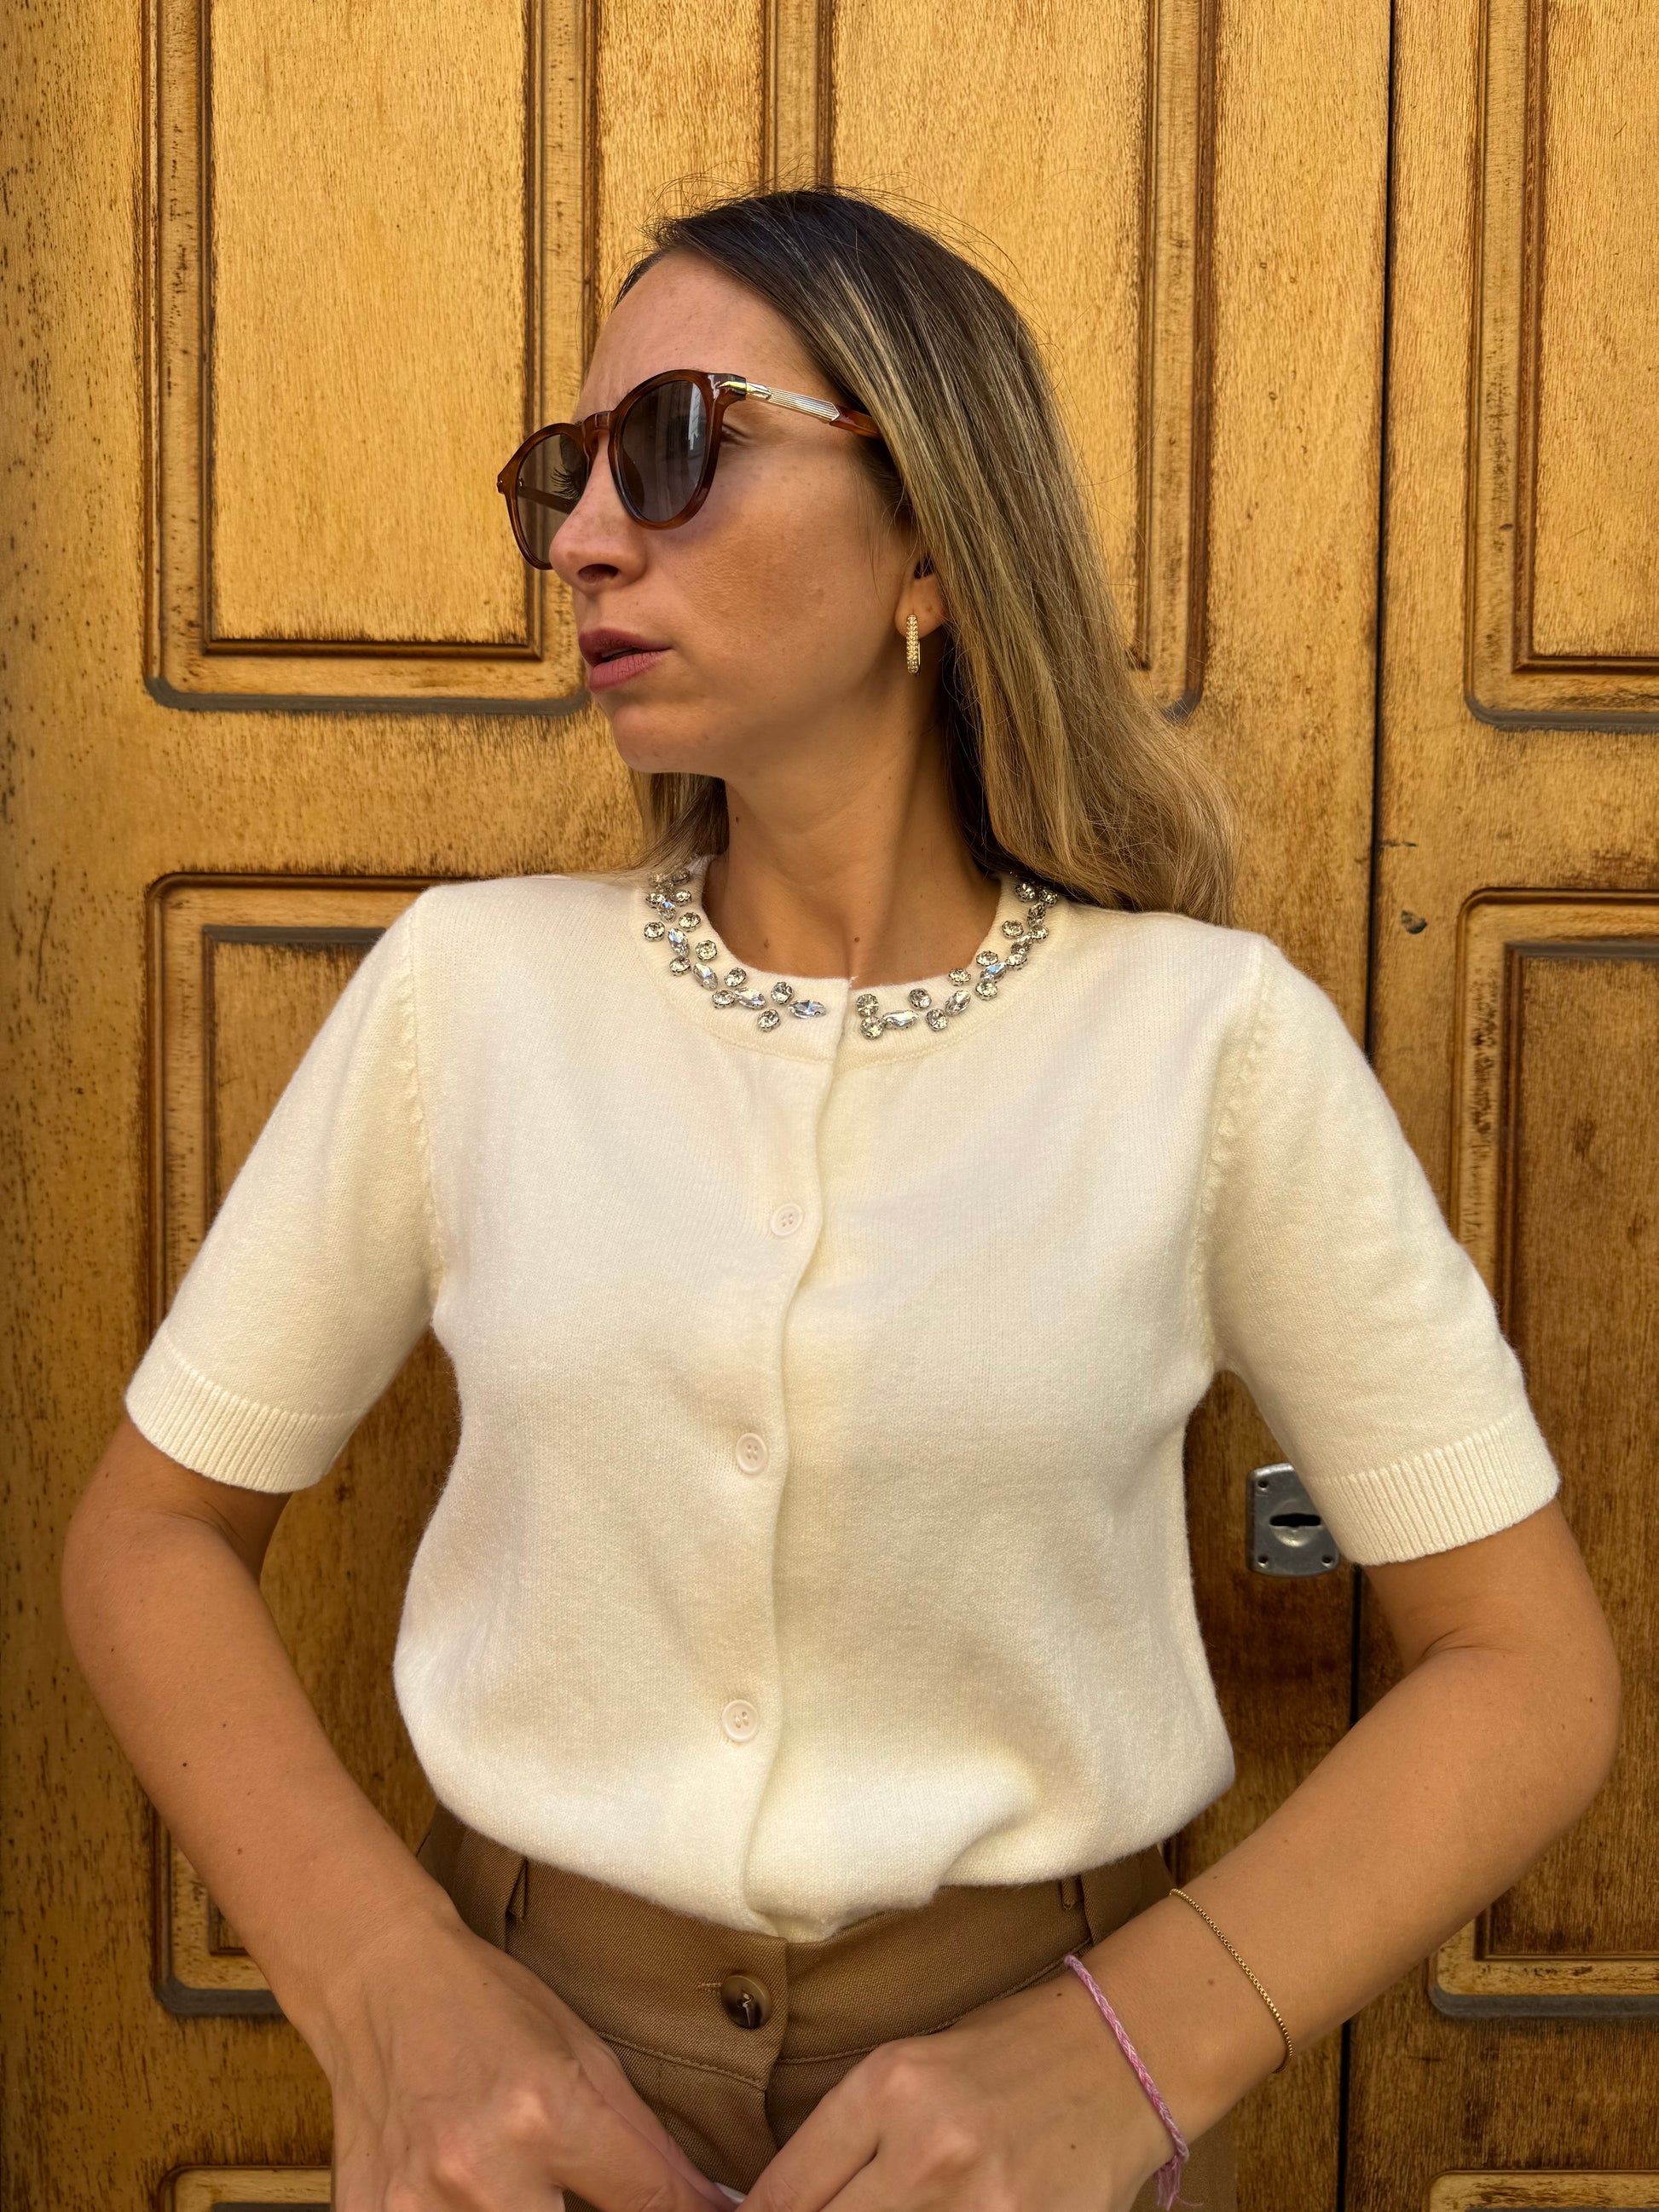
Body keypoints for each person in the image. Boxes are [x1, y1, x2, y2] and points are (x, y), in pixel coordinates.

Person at [63, 188, 1619, 2212]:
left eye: (673, 446)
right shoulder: (472, 995)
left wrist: (1131, 2051)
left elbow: (1525, 1664)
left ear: (930, 540)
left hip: (1044, 2121)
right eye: (563, 476)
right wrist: (384, 1988)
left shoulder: (1207, 1043)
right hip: (521, 2108)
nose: (584, 536)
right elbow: (149, 1533)